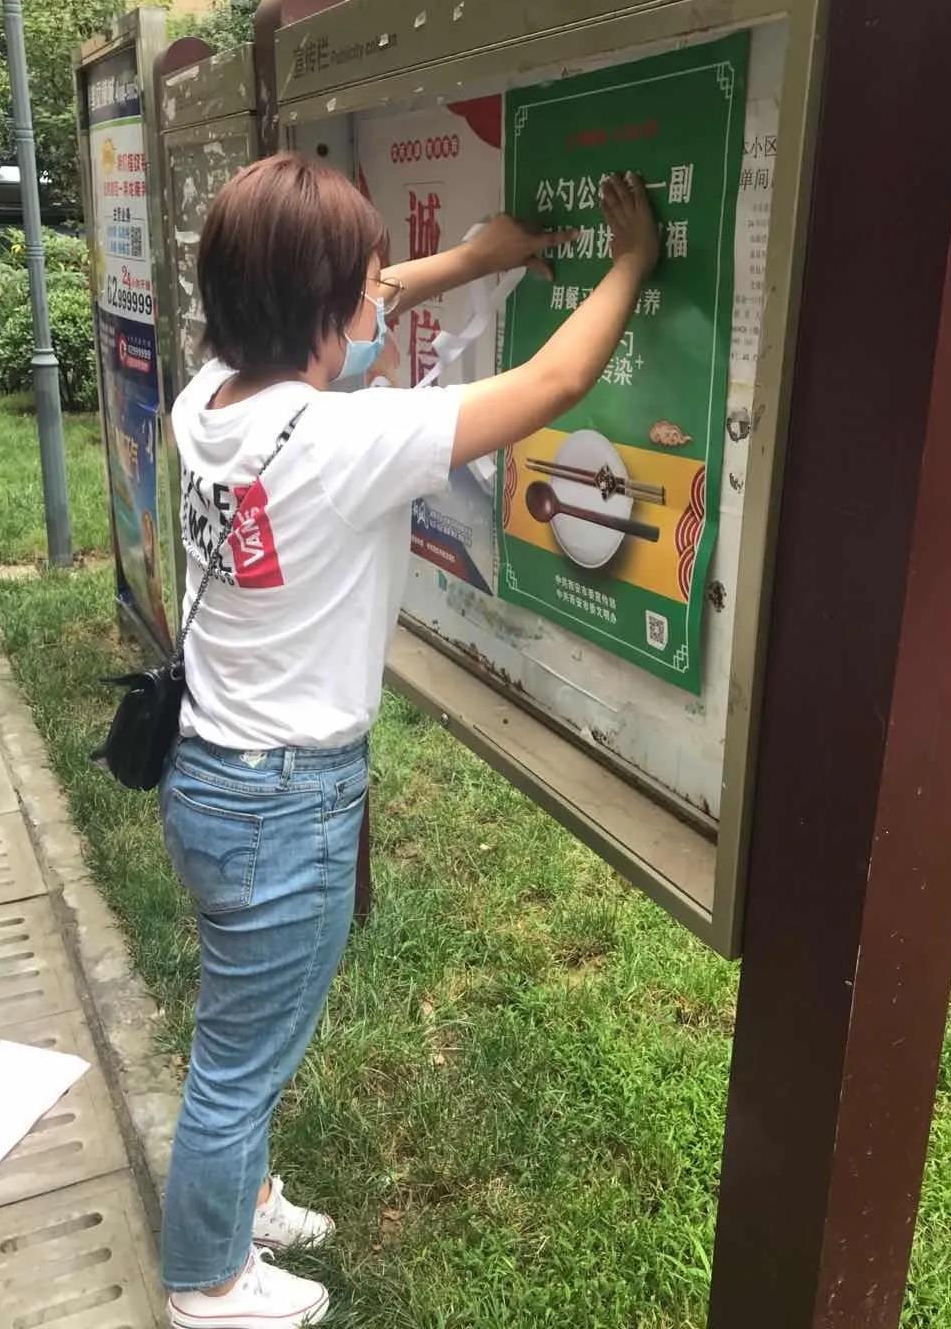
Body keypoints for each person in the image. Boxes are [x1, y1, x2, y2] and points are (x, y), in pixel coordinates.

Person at [161, 152, 658, 1329]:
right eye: (367, 290)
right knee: (237, 1063)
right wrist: (633, 262)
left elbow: (362, 297)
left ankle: (246, 1200)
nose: (382, 305)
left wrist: (478, 259)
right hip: (285, 805)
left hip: (214, 779)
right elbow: (553, 379)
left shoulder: (208, 402)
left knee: (242, 1029)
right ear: (322, 309)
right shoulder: (346, 442)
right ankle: (207, 1284)